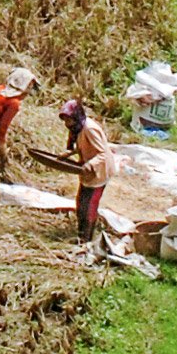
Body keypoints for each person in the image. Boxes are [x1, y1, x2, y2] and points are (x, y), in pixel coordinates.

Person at [50, 99, 117, 249]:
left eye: (69, 119)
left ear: (77, 116)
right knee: (81, 204)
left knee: (89, 206)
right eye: (65, 120)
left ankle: (87, 241)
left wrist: (90, 164)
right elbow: (80, 145)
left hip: (99, 171)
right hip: (88, 172)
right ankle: (81, 235)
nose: (67, 123)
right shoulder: (77, 128)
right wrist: (67, 154)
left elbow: (102, 153)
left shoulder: (89, 129)